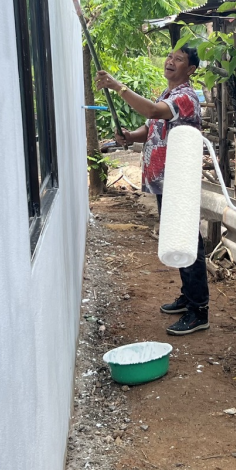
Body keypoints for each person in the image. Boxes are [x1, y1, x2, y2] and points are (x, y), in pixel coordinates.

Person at [96, 45, 209, 336]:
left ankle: (199, 310)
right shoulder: (167, 94)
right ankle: (189, 297)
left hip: (179, 181)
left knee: (187, 243)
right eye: (170, 57)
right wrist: (129, 136)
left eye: (179, 59)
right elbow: (151, 125)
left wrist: (118, 87)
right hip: (163, 179)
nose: (171, 61)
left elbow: (151, 110)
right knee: (178, 237)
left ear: (191, 70)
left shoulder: (186, 97)